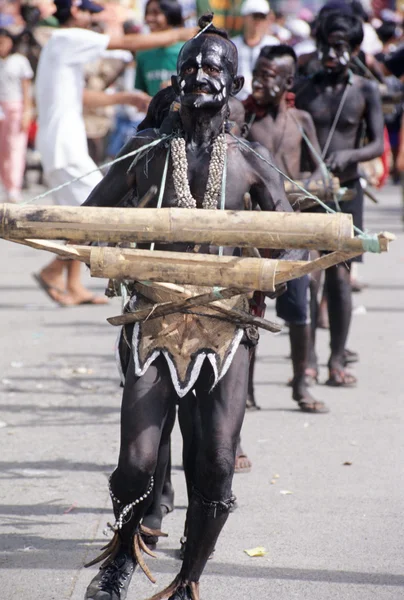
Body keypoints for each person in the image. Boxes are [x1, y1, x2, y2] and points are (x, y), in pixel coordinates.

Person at [82, 14, 303, 600]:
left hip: (226, 326)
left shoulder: (251, 159)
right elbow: (90, 214)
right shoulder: (146, 153)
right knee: (136, 460)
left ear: (232, 85)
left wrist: (279, 260)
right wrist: (109, 246)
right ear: (175, 77)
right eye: (192, 63)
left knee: (219, 463)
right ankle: (120, 561)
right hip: (153, 318)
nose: (201, 72)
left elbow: (291, 238)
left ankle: (188, 581)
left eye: (215, 67)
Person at [33, 0, 195, 307]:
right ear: (74, 13)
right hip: (63, 146)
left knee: (80, 213)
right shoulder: (68, 38)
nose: (93, 18)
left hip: (62, 141)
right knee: (98, 209)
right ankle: (53, 270)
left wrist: (125, 97)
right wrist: (184, 33)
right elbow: (129, 42)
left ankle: (72, 284)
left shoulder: (63, 46)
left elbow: (80, 97)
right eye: (88, 12)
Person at [295, 10, 384, 387]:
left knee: (340, 279)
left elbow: (377, 143)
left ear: (354, 49)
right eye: (327, 46)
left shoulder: (365, 90)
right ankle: (307, 361)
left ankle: (336, 360)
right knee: (307, 276)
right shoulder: (303, 87)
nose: (333, 54)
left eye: (341, 47)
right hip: (308, 193)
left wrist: (351, 156)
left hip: (347, 192)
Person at [244, 44, 328, 413]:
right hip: (254, 231)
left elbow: (322, 173)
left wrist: (306, 187)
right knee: (247, 313)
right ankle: (243, 389)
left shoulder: (301, 121)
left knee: (299, 310)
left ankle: (301, 383)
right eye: (257, 74)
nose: (259, 82)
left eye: (268, 75)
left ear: (289, 81)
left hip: (292, 229)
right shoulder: (244, 120)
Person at [0, 27, 33, 203]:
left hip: (16, 107)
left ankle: (14, 187)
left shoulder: (19, 61)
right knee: (2, 150)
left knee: (15, 148)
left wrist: (27, 112)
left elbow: (26, 88)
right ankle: (5, 185)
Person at [231, 0, 279, 100]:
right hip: (236, 100)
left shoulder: (273, 45)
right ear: (244, 17)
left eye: (262, 17)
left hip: (263, 101)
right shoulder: (232, 45)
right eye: (254, 16)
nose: (258, 21)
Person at [135, 0, 185, 96]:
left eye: (156, 13)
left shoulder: (187, 50)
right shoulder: (143, 53)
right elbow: (143, 92)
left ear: (171, 14)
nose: (149, 18)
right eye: (147, 13)